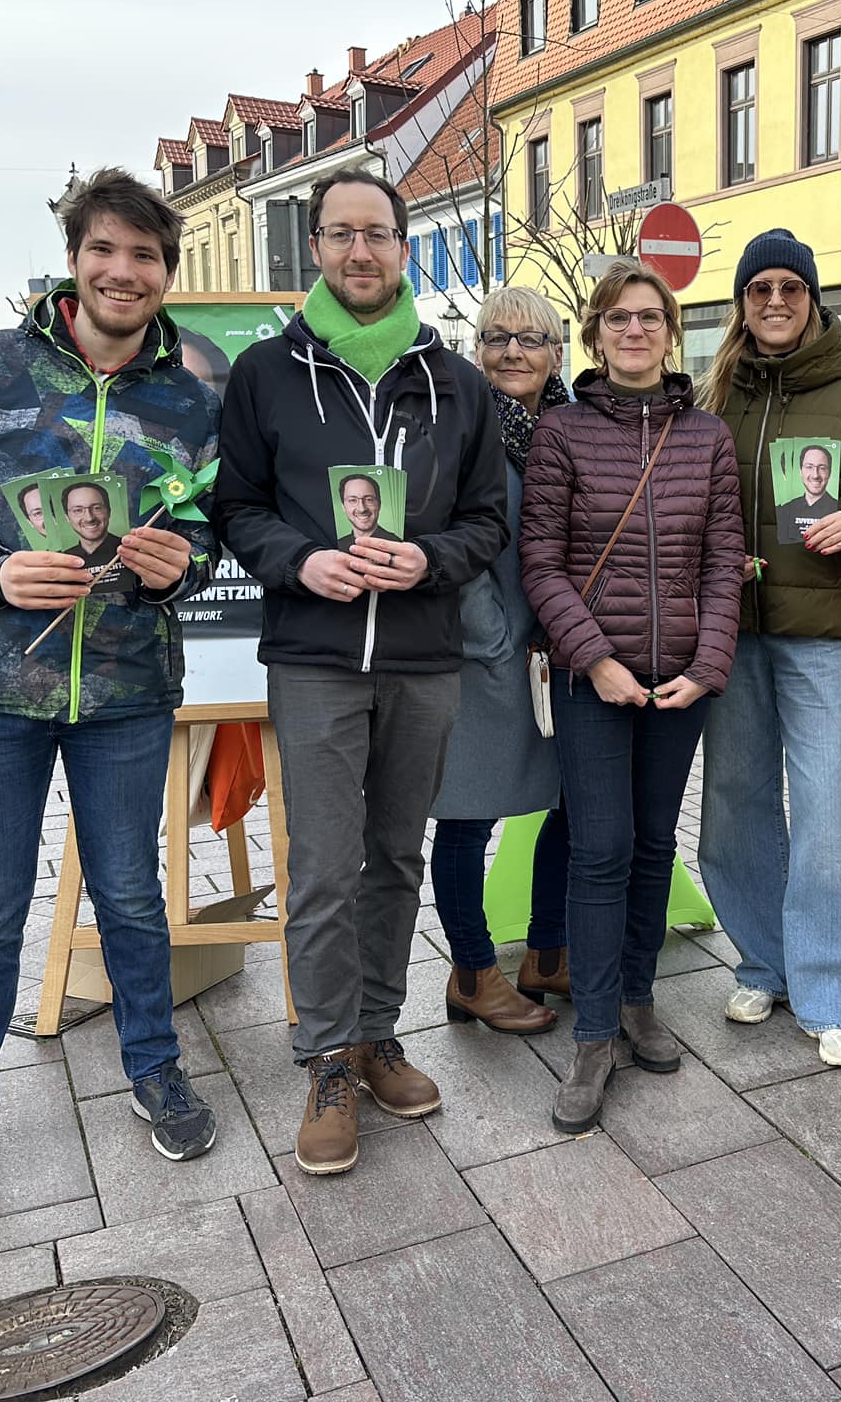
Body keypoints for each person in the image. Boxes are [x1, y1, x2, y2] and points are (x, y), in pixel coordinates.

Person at [0, 168, 223, 1216]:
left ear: (164, 272)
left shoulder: (191, 398)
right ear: (75, 259)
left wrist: (182, 565)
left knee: (128, 897)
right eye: (104, 250)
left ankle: (153, 1068)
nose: (123, 271)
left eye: (145, 255)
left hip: (124, 689)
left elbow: (206, 531)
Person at [215, 166, 509, 1176]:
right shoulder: (264, 375)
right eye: (340, 234)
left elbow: (486, 519)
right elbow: (235, 507)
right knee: (322, 866)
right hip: (316, 656)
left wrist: (431, 558)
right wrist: (300, 560)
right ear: (317, 249)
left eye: (377, 234)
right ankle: (325, 1060)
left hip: (425, 657)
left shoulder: (456, 383)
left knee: (394, 858)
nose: (360, 252)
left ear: (400, 244)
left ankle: (379, 1034)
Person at [520, 260, 744, 1133]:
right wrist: (597, 658)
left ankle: (640, 1001)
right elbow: (540, 562)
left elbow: (726, 561)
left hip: (681, 679)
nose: (635, 331)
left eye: (650, 317)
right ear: (595, 332)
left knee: (655, 844)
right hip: (592, 679)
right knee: (600, 848)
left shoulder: (708, 438)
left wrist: (710, 662)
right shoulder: (563, 434)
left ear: (671, 329)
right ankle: (591, 1034)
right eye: (618, 318)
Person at [696, 228, 841, 1068]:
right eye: (760, 290)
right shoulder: (717, 396)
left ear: (813, 299)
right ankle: (762, 963)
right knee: (735, 805)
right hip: (732, 638)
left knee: (822, 816)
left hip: (819, 641)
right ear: (744, 304)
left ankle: (830, 993)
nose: (776, 302)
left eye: (791, 287)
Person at [429, 286, 575, 1033]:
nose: (512, 351)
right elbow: (450, 543)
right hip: (486, 653)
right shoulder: (456, 426)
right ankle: (472, 971)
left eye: (530, 338)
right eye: (496, 337)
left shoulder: (574, 424)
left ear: (557, 351)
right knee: (466, 814)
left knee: (573, 803)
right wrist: (489, 639)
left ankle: (547, 952)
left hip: (562, 651)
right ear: (476, 349)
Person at [775, 443, 841, 544]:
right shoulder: (784, 509)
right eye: (809, 467)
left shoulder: (840, 512)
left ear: (830, 472)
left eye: (822, 468)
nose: (815, 475)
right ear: (800, 471)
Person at [336, 472, 395, 545]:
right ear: (343, 507)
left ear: (379, 504)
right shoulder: (338, 545)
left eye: (369, 499)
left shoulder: (396, 542)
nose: (362, 509)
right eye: (352, 500)